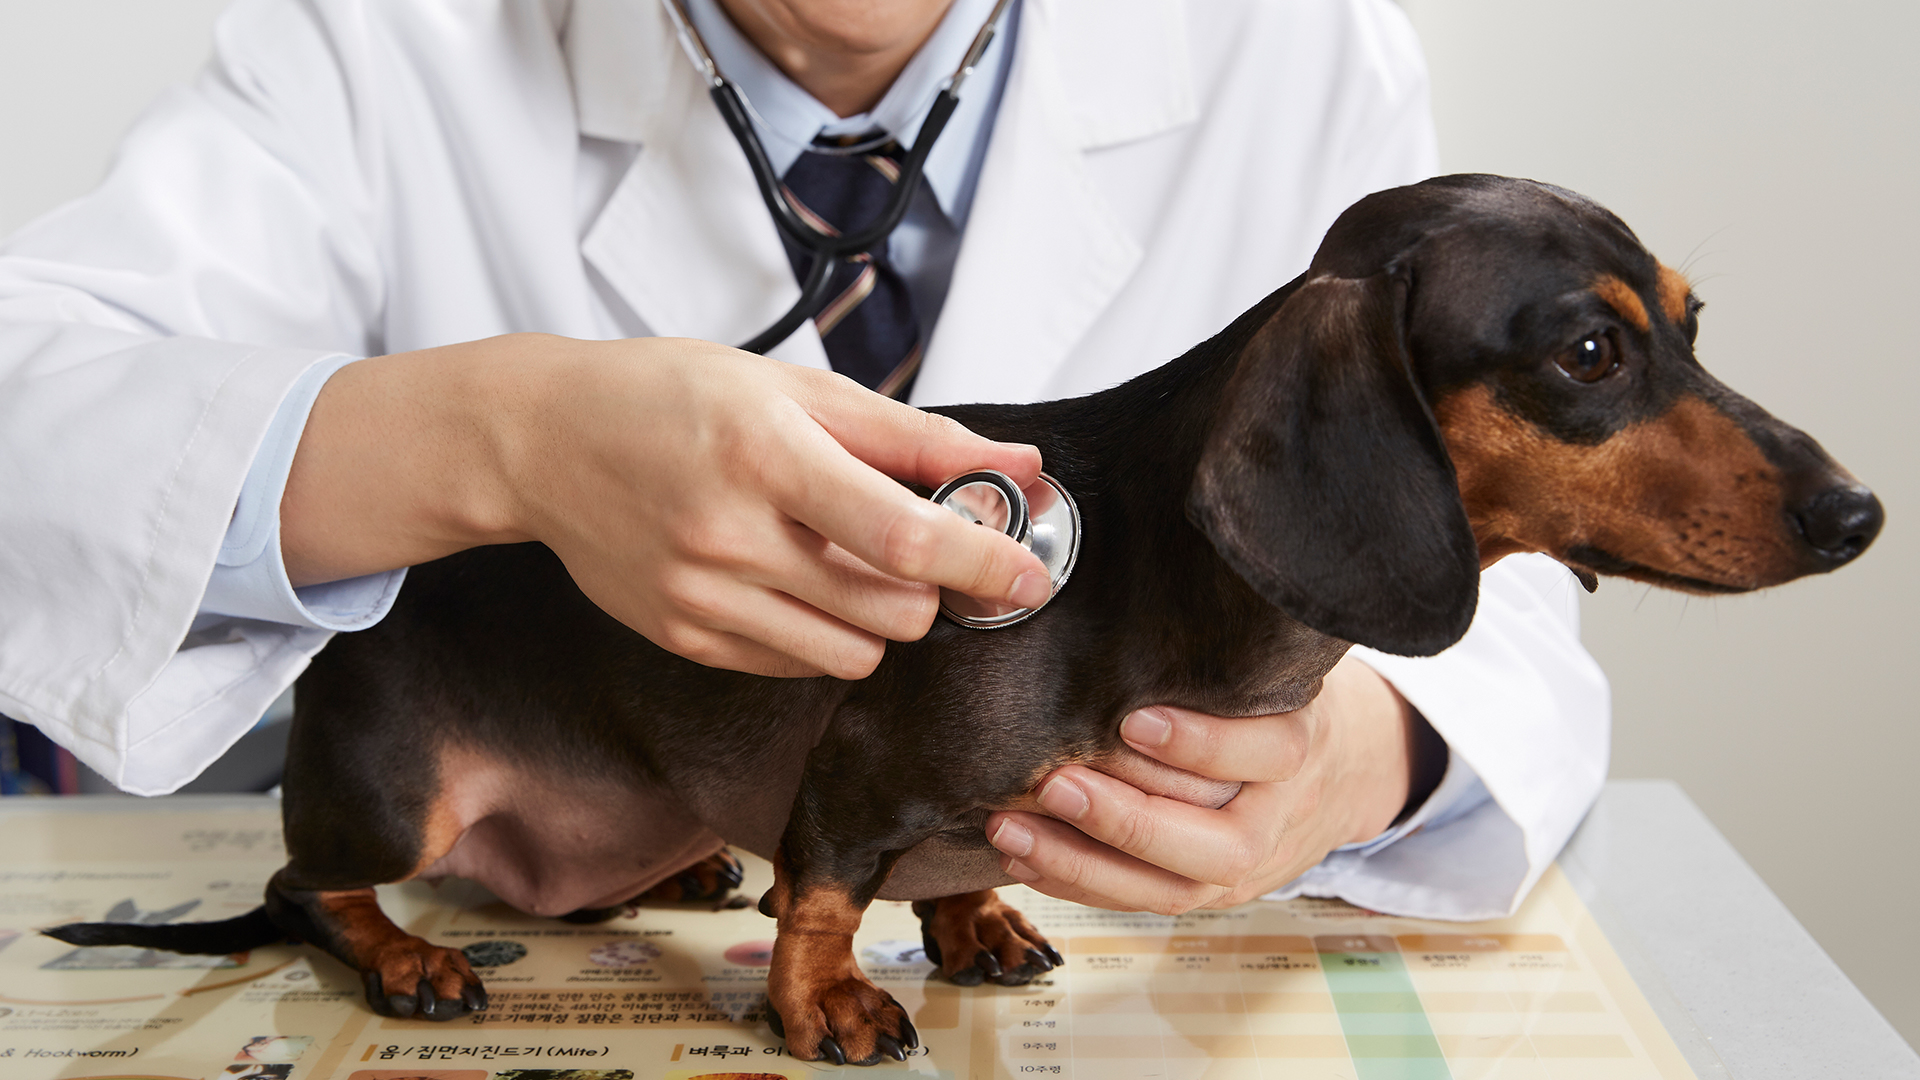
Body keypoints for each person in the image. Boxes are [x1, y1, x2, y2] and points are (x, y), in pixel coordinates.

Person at [0, 0, 1606, 921]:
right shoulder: (386, 38)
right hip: (552, 879)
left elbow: (1490, 548)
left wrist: (1354, 763)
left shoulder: (1289, 47)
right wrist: (500, 437)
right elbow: (34, 412)